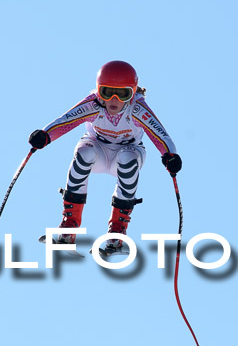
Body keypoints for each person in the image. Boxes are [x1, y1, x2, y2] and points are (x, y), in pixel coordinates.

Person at [28, 60, 182, 253]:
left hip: (128, 150)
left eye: (123, 94)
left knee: (128, 161)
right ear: (99, 90)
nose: (114, 100)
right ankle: (69, 228)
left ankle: (117, 235)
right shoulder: (94, 104)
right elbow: (66, 121)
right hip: (98, 148)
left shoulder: (136, 108)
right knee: (85, 152)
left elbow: (160, 135)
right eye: (107, 93)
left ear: (133, 93)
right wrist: (45, 135)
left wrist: (170, 155)